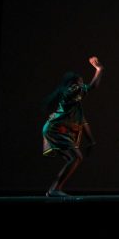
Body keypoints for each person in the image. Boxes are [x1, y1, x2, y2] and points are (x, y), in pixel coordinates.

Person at [41, 56, 104, 197]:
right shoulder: (71, 91)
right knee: (76, 157)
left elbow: (83, 122)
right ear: (74, 83)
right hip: (55, 128)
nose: (82, 84)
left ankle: (53, 189)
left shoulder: (76, 102)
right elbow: (93, 86)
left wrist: (92, 141)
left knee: (73, 158)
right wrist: (99, 69)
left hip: (56, 129)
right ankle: (54, 189)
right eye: (80, 81)